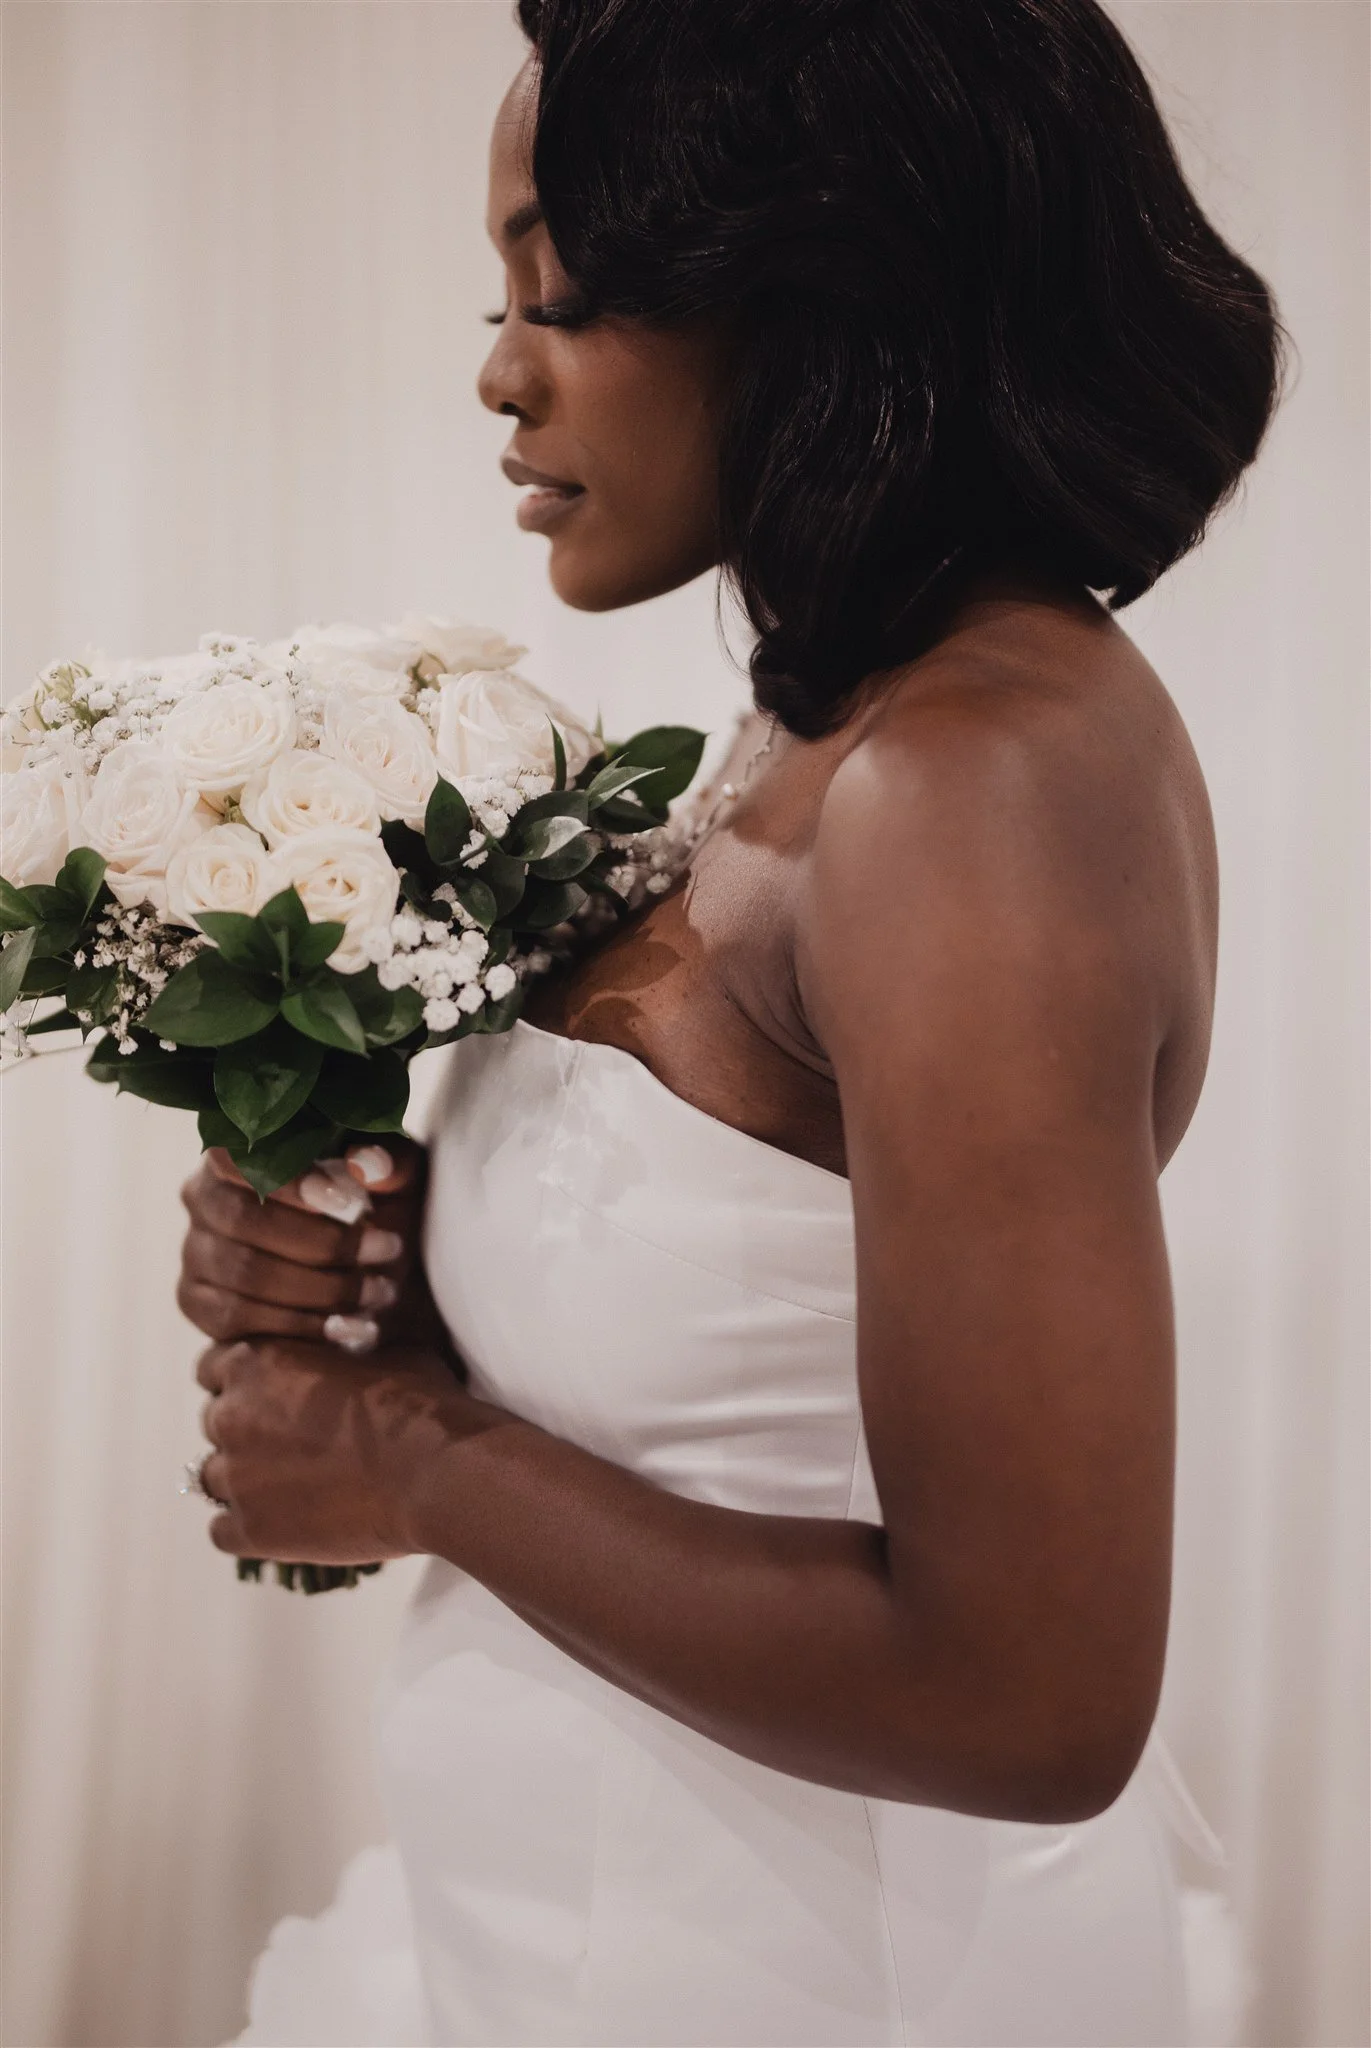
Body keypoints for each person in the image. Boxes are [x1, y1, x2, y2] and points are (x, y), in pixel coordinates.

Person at [177, 2, 1282, 2041]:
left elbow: (1029, 1697)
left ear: (821, 284)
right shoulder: (822, 728)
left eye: (565, 290)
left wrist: (410, 1457)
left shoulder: (980, 781)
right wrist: (368, 1272)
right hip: (582, 1924)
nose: (500, 373)